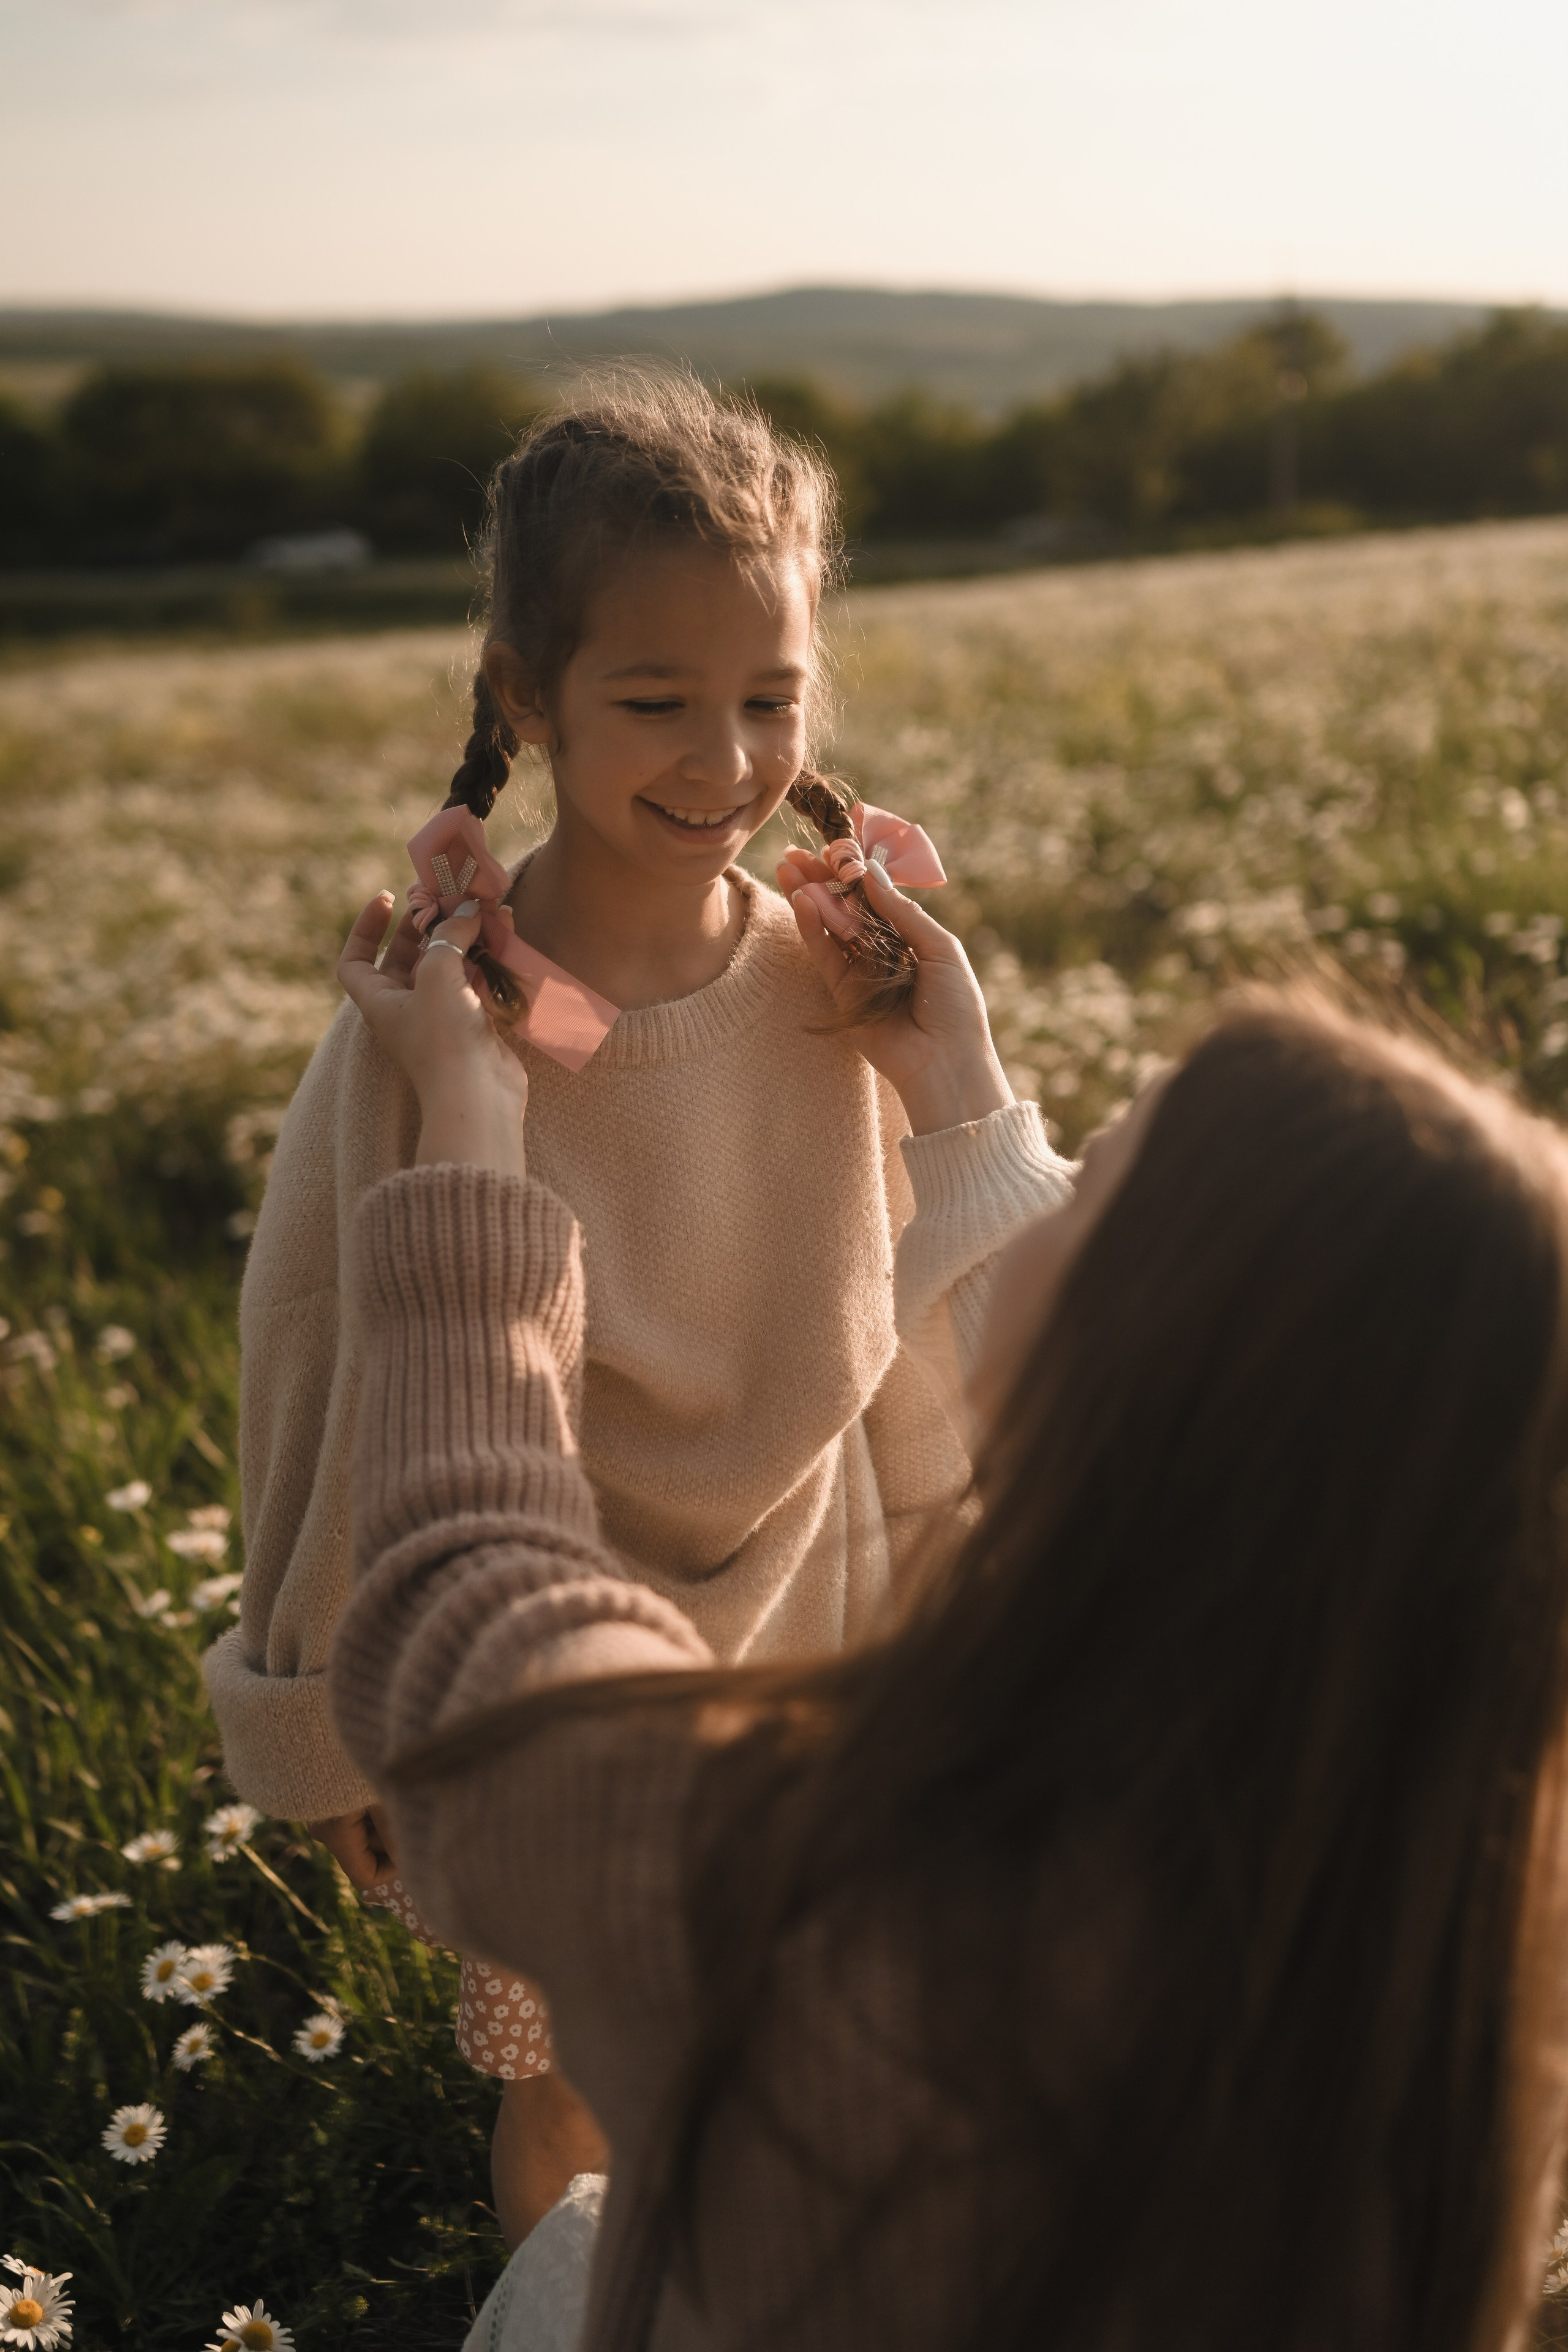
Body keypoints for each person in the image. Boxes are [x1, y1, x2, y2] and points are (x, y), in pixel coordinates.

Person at [330, 902, 1568, 2352]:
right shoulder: (1455, 1949)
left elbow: (464, 1593)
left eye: (1097, 1172)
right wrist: (955, 1090)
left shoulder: (798, 1903)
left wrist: (473, 1116)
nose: (1062, 1167)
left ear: (1146, 1361)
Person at [202, 368, 1071, 2237]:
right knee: (582, 2101)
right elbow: (342, 1339)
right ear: (525, 695)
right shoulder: (453, 1009)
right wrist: (339, 1692)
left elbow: (895, 1300)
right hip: (543, 1656)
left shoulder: (836, 972)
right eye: (657, 702)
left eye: (771, 699)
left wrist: (940, 1565)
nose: (727, 759)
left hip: (816, 1620)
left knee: (808, 2041)